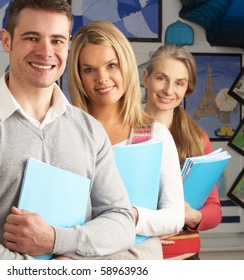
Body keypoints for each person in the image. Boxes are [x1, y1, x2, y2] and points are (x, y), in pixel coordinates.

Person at [0, 0, 136, 260]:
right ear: (7, 41)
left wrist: (54, 240)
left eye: (57, 41)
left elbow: (122, 222)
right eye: (31, 38)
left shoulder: (90, 131)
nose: (46, 51)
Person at [68, 20, 185, 259]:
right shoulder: (66, 133)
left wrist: (129, 216)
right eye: (89, 69)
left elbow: (175, 218)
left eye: (111, 65)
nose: (102, 78)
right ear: (78, 76)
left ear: (127, 66)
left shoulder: (154, 135)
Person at [143, 44, 222, 260]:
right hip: (138, 257)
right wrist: (135, 235)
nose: (169, 90)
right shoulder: (123, 132)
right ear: (146, 78)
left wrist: (194, 216)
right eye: (161, 78)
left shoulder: (197, 138)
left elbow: (214, 211)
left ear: (187, 89)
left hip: (187, 260)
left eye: (179, 83)